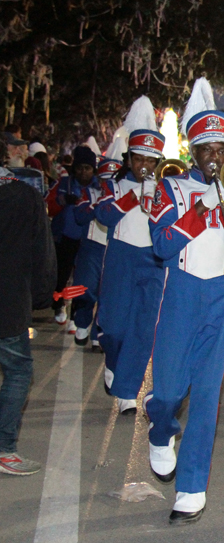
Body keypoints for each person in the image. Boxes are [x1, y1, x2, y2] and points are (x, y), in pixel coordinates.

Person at [145, 78, 224, 523]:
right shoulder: (170, 189)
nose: (215, 157)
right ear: (193, 151)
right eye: (207, 149)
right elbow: (161, 245)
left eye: (222, 149)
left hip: (220, 297)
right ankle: (161, 428)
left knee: (208, 396)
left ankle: (192, 486)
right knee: (170, 389)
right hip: (181, 294)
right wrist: (202, 212)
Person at [93, 97, 166, 414]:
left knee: (143, 329)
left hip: (153, 262)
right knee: (114, 327)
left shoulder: (166, 189)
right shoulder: (115, 185)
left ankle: (127, 392)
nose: (144, 166)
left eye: (151, 161)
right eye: (138, 159)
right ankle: (112, 359)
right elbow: (104, 217)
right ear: (130, 158)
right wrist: (133, 198)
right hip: (121, 260)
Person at [0, 156, 56, 475]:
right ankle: (4, 449)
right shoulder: (25, 195)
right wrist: (41, 296)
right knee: (19, 372)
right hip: (8, 304)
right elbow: (42, 253)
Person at [71, 157, 122, 347]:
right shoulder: (88, 193)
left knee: (107, 293)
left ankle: (97, 334)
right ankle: (82, 323)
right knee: (86, 289)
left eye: (111, 180)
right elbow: (79, 216)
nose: (106, 184)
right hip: (92, 247)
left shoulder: (122, 195)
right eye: (104, 180)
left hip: (113, 248)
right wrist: (98, 205)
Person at [46, 146, 99, 326]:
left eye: (88, 168)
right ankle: (58, 304)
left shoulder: (98, 186)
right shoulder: (64, 183)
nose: (83, 172)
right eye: (80, 168)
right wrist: (62, 201)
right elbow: (48, 206)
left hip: (87, 239)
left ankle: (76, 315)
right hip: (65, 237)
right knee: (61, 275)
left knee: (82, 280)